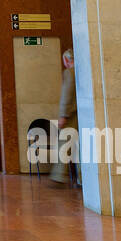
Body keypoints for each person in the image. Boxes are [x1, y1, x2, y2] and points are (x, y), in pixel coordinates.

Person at [50, 48, 79, 185]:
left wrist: (62, 115)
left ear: (67, 60)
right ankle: (81, 178)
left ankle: (59, 175)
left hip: (70, 115)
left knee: (64, 144)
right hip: (82, 115)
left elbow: (66, 95)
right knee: (80, 147)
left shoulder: (69, 73)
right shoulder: (82, 71)